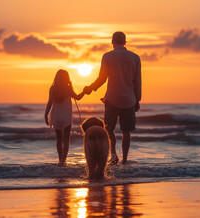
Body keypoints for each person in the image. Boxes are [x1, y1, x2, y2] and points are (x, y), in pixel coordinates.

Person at [84, 31, 142, 165]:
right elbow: (137, 81)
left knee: (109, 129)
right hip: (129, 99)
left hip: (112, 98)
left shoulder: (107, 56)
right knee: (126, 131)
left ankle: (114, 155)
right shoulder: (135, 57)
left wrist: (90, 88)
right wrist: (137, 99)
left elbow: (102, 79)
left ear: (112, 41)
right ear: (125, 42)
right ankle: (125, 159)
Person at [45, 69, 85, 165]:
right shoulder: (68, 88)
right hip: (66, 116)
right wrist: (84, 91)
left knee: (59, 139)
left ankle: (60, 160)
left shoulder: (53, 88)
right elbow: (78, 97)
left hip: (56, 116)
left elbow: (49, 103)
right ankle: (64, 160)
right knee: (66, 139)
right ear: (67, 78)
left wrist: (46, 114)